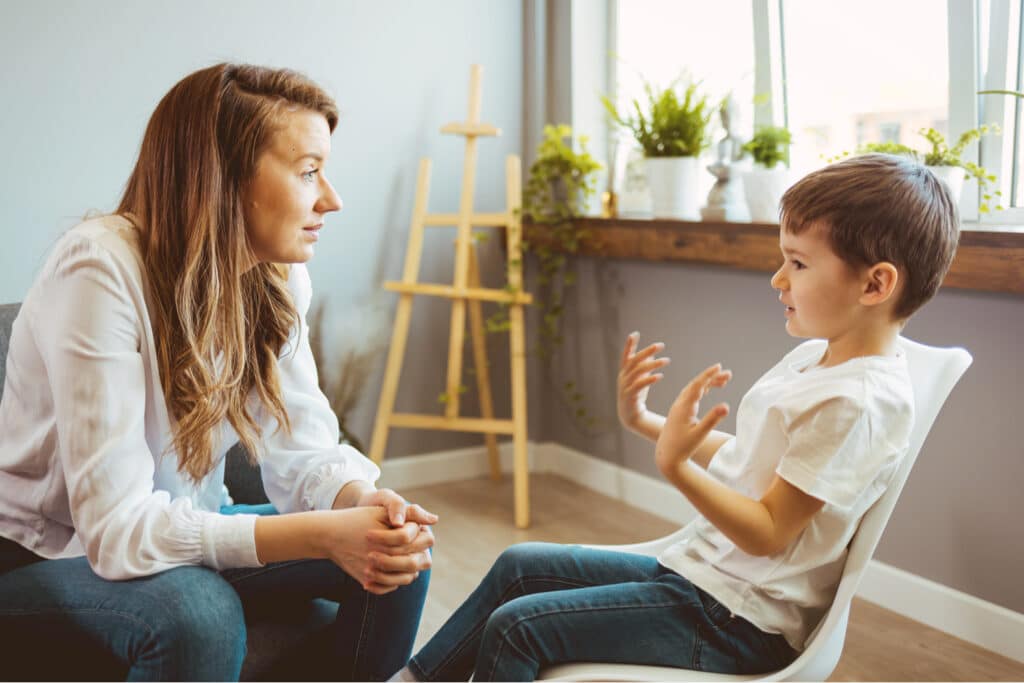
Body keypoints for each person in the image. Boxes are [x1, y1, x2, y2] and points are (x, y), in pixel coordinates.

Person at [392, 153, 960, 682]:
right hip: (702, 579)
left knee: (518, 629)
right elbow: (754, 463)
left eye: (798, 263)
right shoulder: (820, 356)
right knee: (519, 566)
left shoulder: (859, 404)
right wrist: (647, 422)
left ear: (876, 284)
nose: (778, 279)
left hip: (737, 621)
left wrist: (678, 468)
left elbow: (767, 533)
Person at [0, 63, 436, 681]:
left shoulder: (275, 278)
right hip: (43, 557)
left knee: (398, 557)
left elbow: (306, 455)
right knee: (196, 614)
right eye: (309, 171)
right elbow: (119, 531)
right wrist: (323, 535)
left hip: (171, 529)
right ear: (224, 178)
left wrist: (363, 508)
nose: (331, 199)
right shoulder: (99, 270)